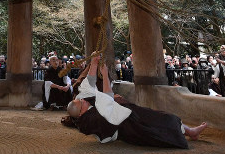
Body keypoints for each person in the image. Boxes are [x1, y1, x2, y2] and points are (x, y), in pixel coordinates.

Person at [66, 54, 207, 148]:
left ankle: (188, 131)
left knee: (156, 115)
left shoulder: (81, 101)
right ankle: (189, 132)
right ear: (80, 113)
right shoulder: (91, 118)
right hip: (123, 123)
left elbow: (90, 81)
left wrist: (94, 62)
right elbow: (108, 96)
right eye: (82, 104)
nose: (83, 101)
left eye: (81, 100)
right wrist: (104, 74)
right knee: (155, 126)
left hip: (123, 114)